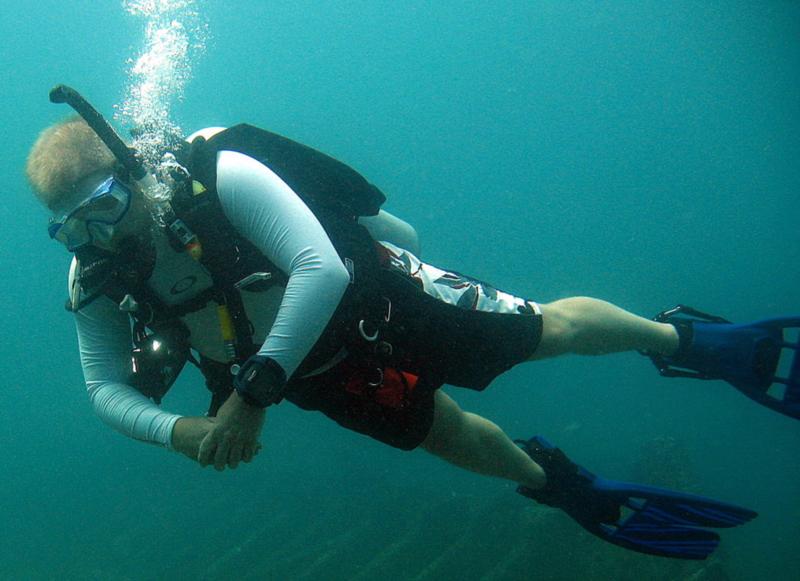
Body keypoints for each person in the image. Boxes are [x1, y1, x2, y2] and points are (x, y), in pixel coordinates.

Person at [27, 95, 797, 558]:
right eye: (70, 228)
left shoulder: (215, 178)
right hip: (315, 372)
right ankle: (564, 486)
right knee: (442, 431)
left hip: (384, 294)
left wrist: (253, 396)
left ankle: (691, 342)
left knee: (543, 331)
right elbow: (103, 387)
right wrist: (180, 432)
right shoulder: (93, 276)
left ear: (129, 173)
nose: (95, 237)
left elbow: (322, 269)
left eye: (101, 207)